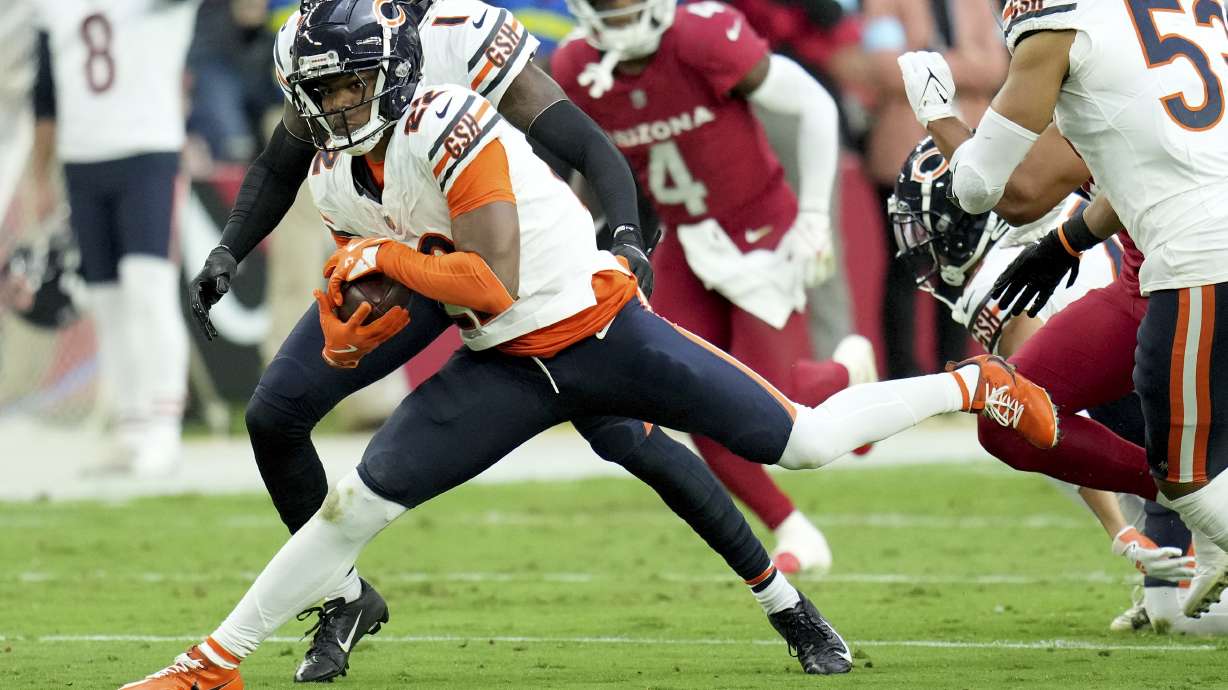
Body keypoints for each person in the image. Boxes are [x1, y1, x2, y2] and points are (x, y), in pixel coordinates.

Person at [118, 2, 1061, 686]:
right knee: (353, 504)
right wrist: (367, 290)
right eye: (314, 93)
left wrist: (388, 262)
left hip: (599, 329)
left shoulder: (450, 118)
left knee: (803, 441)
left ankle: (967, 385)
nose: (328, 108)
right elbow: (440, 286)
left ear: (394, 72)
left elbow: (484, 276)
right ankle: (213, 663)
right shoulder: (333, 176)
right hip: (505, 362)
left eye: (345, 86)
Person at [185, 0, 851, 681]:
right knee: (275, 412)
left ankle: (785, 604)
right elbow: (283, 159)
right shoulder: (335, 37)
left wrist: (624, 234)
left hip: (515, 257)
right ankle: (341, 599)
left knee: (631, 437)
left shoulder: (461, 34)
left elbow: (586, 144)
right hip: (411, 251)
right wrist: (230, 249)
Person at [896, 0, 1228, 618]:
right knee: (1011, 411)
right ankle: (1185, 534)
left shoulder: (1062, 19)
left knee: (1190, 475)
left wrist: (939, 114)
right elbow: (1147, 161)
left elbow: (1002, 191)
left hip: (1194, 256)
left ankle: (1194, 519)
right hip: (1148, 256)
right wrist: (1067, 241)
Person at [551, 0, 879, 573]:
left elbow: (813, 105)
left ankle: (849, 372)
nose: (620, 12)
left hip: (758, 230)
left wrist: (813, 216)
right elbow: (590, 163)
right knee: (685, 390)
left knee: (779, 406)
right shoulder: (579, 64)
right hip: (684, 239)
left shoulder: (704, 35)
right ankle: (792, 526)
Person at [30, 0, 199, 476]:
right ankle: (130, 424)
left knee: (148, 288)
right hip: (81, 158)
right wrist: (39, 173)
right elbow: (45, 90)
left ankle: (164, 426)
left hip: (147, 153)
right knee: (106, 300)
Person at [860, 0, 1006, 378]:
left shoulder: (977, 4)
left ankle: (955, 372)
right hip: (902, 156)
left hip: (969, 155)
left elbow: (997, 69)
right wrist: (964, 63)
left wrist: (931, 64)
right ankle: (902, 374)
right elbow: (887, 71)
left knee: (963, 265)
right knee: (905, 268)